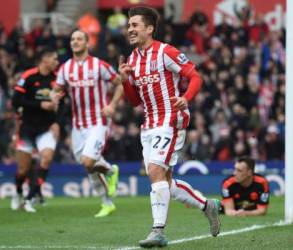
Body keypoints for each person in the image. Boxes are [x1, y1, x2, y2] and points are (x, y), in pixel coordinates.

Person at [118, 6, 221, 248]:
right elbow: (134, 101)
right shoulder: (132, 59)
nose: (130, 29)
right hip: (149, 124)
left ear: (149, 28)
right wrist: (125, 82)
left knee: (155, 171)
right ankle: (208, 205)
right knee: (165, 181)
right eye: (129, 25)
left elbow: (196, 76)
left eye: (135, 25)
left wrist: (186, 97)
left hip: (171, 120)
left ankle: (158, 231)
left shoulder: (166, 51)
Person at [52, 30, 122, 218]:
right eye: (72, 39)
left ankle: (109, 170)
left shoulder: (99, 65)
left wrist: (112, 105)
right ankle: (107, 202)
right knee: (88, 166)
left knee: (88, 160)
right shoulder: (65, 68)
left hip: (98, 121)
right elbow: (56, 89)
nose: (75, 42)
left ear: (87, 43)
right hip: (78, 124)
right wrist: (55, 96)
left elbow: (120, 83)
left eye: (79, 39)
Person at [11, 47, 60, 213]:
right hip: (27, 128)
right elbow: (15, 101)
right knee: (23, 170)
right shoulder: (28, 76)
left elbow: (62, 105)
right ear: (44, 59)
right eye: (54, 59)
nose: (56, 62)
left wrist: (57, 122)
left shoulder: (57, 79)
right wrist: (40, 104)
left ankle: (29, 198)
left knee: (46, 159)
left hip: (46, 128)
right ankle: (18, 193)